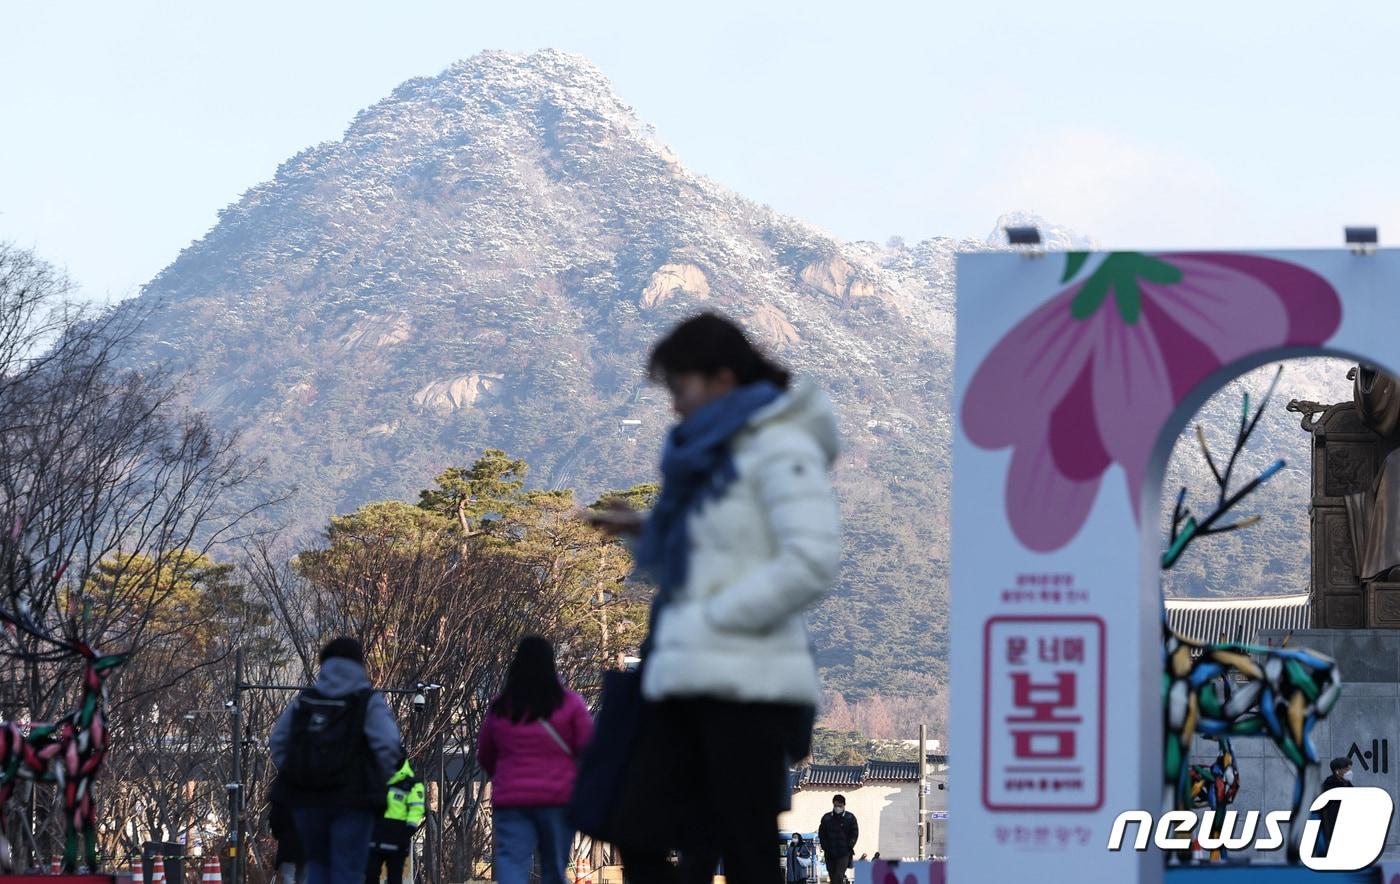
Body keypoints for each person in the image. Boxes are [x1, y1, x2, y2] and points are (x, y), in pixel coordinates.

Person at [585, 313, 841, 884]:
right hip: (685, 667)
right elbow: (705, 556)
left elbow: (810, 560)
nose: (674, 406)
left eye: (680, 388)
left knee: (736, 841)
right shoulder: (707, 456)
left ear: (722, 379)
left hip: (748, 675)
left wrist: (717, 612)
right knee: (642, 820)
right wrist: (644, 533)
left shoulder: (777, 446)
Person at [268, 637, 403, 884]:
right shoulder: (367, 702)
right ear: (359, 664)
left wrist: (298, 774)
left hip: (307, 800)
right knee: (348, 869)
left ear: (324, 664)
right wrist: (376, 777)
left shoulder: (306, 701)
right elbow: (388, 745)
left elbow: (278, 741)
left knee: (317, 865)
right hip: (354, 800)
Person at [478, 636, 594, 884]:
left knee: (511, 862)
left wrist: (503, 779)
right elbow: (588, 750)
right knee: (553, 866)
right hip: (558, 798)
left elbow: (485, 755)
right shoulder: (570, 704)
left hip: (511, 799)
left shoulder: (500, 707)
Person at [365, 757, 425, 884]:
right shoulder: (375, 777)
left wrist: (408, 830)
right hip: (374, 836)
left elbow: (416, 809)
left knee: (394, 877)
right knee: (370, 875)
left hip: (398, 837)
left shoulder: (412, 784)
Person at [1318, 756, 1354, 854]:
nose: (1349, 771)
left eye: (1350, 768)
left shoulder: (1349, 787)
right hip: (1331, 833)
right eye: (1346, 769)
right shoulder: (1328, 788)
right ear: (1337, 771)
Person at [818, 797, 858, 884]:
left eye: (840, 805)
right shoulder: (826, 818)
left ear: (844, 805)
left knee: (838, 876)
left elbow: (854, 833)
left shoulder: (850, 817)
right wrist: (825, 846)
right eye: (836, 805)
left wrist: (849, 845)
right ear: (833, 804)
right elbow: (821, 834)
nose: (838, 808)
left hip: (844, 853)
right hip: (829, 853)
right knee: (832, 876)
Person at [268, 799, 306, 884]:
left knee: (288, 876)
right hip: (306, 846)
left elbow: (274, 820)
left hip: (287, 846)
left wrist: (278, 834)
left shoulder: (283, 795)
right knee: (303, 877)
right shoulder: (310, 794)